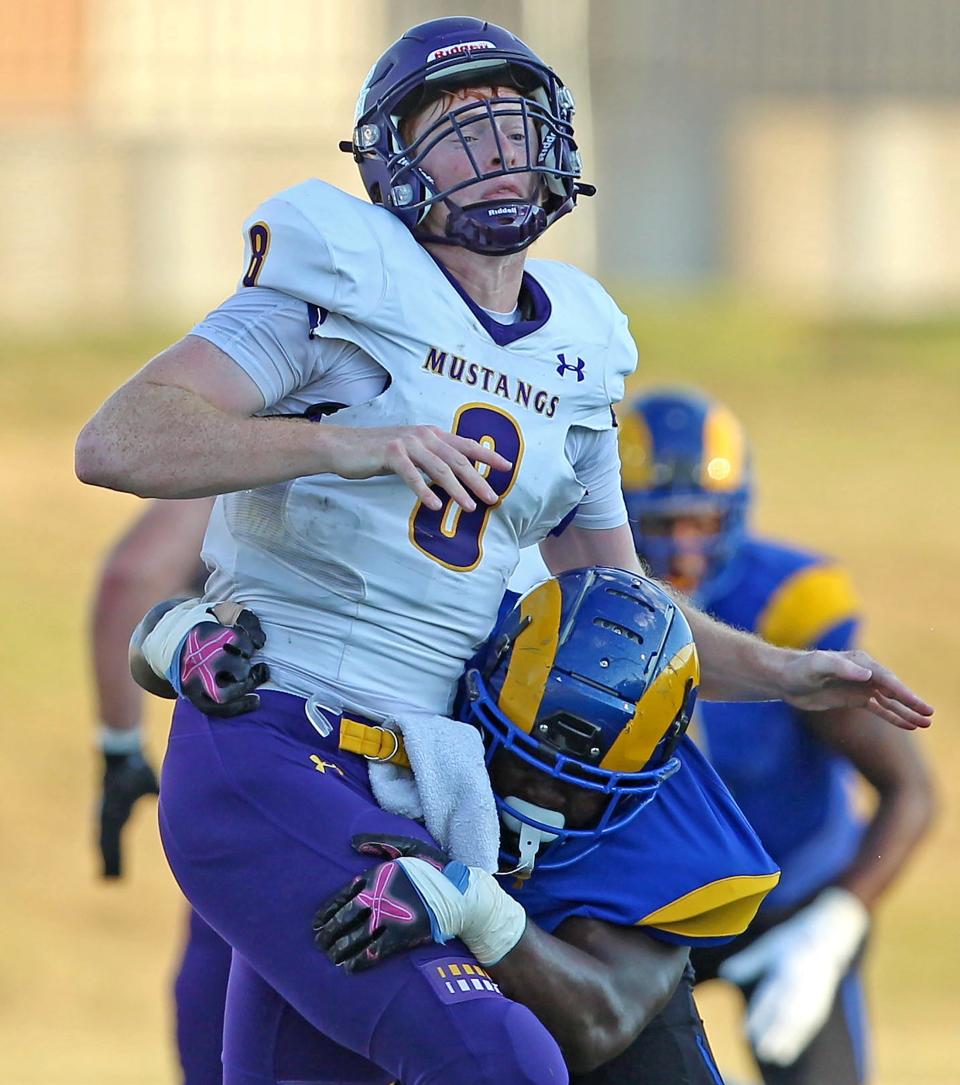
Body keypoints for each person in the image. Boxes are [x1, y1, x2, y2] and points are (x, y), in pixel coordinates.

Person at [74, 16, 931, 1085]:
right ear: (392, 162)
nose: (492, 155)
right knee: (505, 1058)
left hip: (424, 776)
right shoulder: (339, 287)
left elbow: (616, 602)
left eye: (511, 129)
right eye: (455, 131)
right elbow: (118, 437)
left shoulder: (580, 346)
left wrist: (786, 673)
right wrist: (351, 443)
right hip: (283, 738)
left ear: (560, 148)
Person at [137, 566, 780, 1082]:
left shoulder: (668, 827)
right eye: (524, 765)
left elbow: (600, 1028)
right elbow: (270, 636)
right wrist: (171, 640)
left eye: (576, 789)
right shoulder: (449, 643)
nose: (541, 799)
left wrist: (477, 907)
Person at [611, 388, 937, 1085]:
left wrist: (834, 925)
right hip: (648, 909)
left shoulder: (788, 600)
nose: (683, 546)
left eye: (701, 518)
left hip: (790, 898)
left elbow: (912, 790)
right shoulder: (590, 596)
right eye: (662, 521)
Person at [91, 497, 231, 1085]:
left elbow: (135, 574)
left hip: (264, 790)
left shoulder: (308, 412)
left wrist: (121, 749)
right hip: (464, 818)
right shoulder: (539, 430)